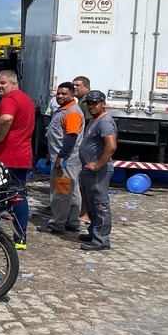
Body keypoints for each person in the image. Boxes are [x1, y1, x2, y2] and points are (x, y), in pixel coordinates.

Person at [0, 70, 34, 249]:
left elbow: (6, 118)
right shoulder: (26, 99)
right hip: (19, 155)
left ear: (13, 84)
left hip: (5, 156)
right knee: (17, 194)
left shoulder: (10, 99)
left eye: (3, 83)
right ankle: (20, 238)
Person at [37, 82, 84, 234]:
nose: (60, 96)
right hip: (64, 158)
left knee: (61, 192)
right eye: (58, 93)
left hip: (66, 160)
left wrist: (60, 157)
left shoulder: (71, 112)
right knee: (73, 191)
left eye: (64, 94)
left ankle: (57, 223)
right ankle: (73, 221)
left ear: (72, 95)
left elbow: (71, 137)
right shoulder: (63, 110)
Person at [78, 90, 117, 251]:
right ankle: (94, 232)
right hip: (89, 170)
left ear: (103, 103)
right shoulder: (95, 120)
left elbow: (111, 145)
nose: (92, 106)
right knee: (91, 203)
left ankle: (101, 239)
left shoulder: (105, 121)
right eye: (89, 103)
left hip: (98, 172)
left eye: (95, 103)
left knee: (100, 204)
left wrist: (98, 165)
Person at [71, 75, 94, 225]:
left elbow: (88, 125)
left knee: (84, 182)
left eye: (78, 85)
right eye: (73, 85)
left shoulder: (85, 103)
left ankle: (85, 214)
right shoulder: (80, 101)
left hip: (87, 148)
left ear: (86, 87)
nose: (75, 88)